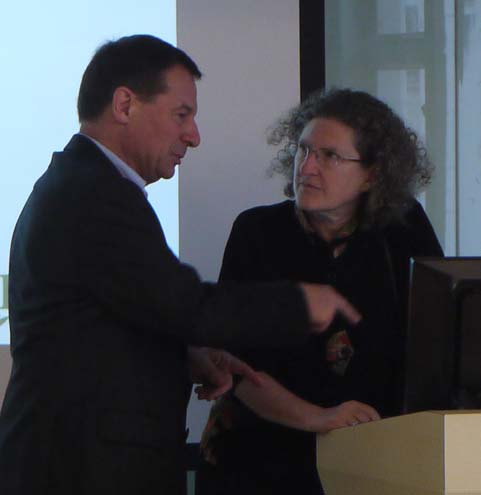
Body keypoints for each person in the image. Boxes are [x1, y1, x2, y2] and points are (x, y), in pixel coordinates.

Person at [0, 37, 362, 495]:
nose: (194, 136)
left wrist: (185, 355)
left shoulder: (82, 184)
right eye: (181, 115)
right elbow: (184, 305)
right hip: (82, 471)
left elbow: (119, 315)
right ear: (125, 105)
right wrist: (300, 302)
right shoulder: (94, 195)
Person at [196, 88, 444, 495]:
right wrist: (319, 418)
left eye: (330, 156)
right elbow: (235, 365)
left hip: (372, 459)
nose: (307, 167)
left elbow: (436, 342)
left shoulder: (404, 230)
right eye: (303, 150)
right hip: (260, 460)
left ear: (373, 174)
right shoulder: (257, 232)